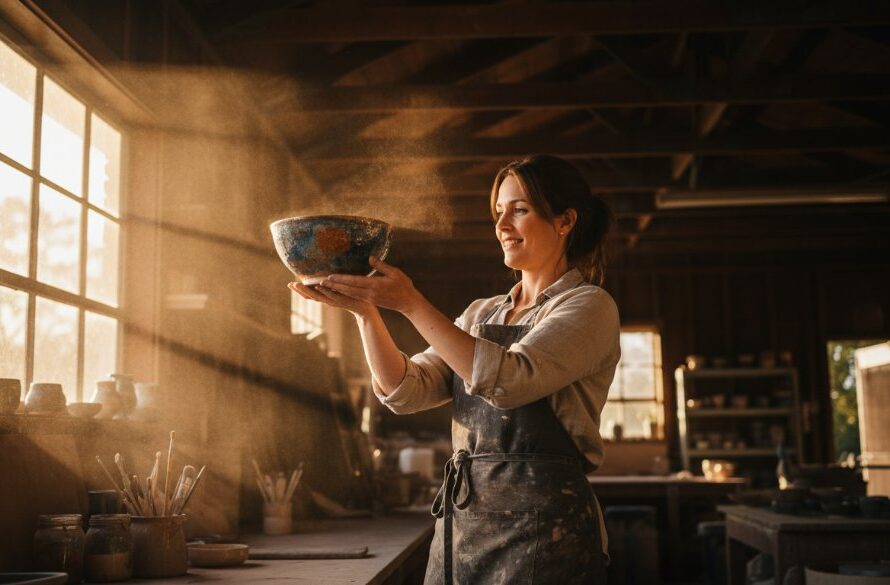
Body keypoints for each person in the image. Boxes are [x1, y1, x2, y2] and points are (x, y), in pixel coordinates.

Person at [289, 154, 620, 584]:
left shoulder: (589, 306)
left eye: (519, 210)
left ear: (565, 221)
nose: (502, 225)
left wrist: (411, 304)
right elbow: (408, 390)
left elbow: (511, 380)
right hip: (464, 525)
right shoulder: (480, 314)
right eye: (498, 212)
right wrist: (365, 313)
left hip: (547, 532)